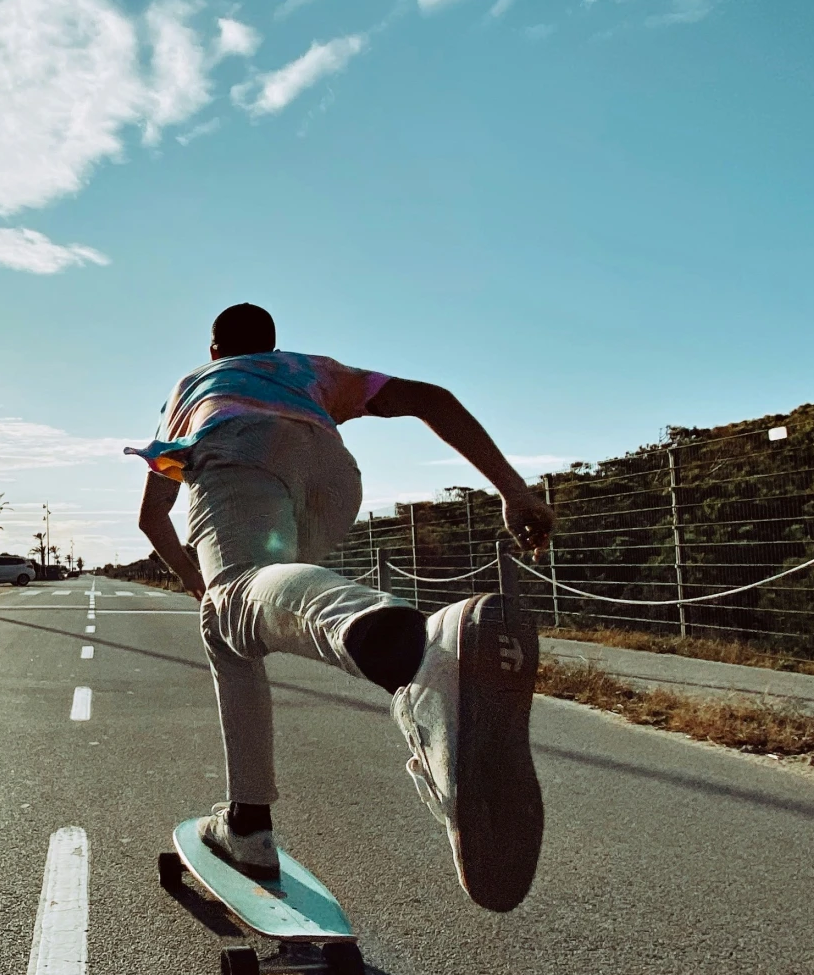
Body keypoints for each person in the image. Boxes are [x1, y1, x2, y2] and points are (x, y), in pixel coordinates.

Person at [128, 302, 555, 913]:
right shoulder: (313, 370)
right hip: (332, 473)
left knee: (231, 605)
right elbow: (431, 398)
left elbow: (152, 515)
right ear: (273, 346)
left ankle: (424, 653)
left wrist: (207, 588)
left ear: (215, 348)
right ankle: (249, 817)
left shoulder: (197, 381)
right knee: (251, 611)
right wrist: (514, 491)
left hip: (240, 448)